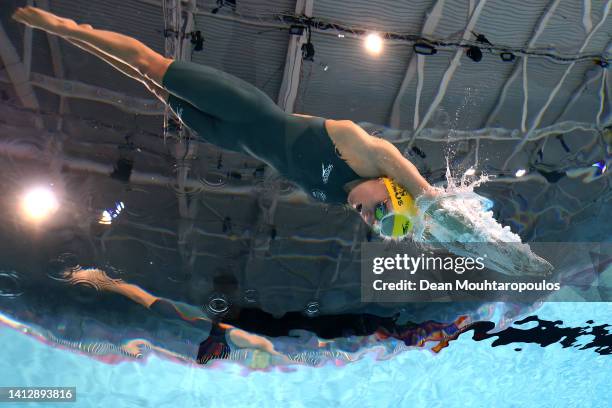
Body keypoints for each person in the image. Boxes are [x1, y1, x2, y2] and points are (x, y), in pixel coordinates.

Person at [12, 6, 439, 238]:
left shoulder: (331, 197)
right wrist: (432, 203)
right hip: (247, 110)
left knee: (151, 86)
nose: (369, 215)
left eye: (374, 224)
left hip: (227, 137)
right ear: (389, 185)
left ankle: (75, 40)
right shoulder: (360, 149)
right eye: (382, 209)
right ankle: (63, 26)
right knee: (150, 63)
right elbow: (410, 175)